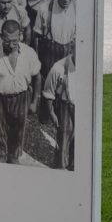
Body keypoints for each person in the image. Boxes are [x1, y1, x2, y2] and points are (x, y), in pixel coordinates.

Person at [0, 19, 41, 164]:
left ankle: (13, 155)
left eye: (15, 41)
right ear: (1, 36)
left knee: (18, 128)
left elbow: (37, 77)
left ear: (20, 35)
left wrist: (35, 100)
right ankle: (1, 153)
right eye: (7, 41)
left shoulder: (29, 53)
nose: (11, 45)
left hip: (21, 98)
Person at [42, 39, 76, 171]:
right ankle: (60, 167)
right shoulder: (58, 68)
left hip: (82, 107)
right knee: (64, 137)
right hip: (66, 106)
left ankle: (74, 165)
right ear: (71, 50)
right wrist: (52, 113)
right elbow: (48, 93)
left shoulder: (89, 66)